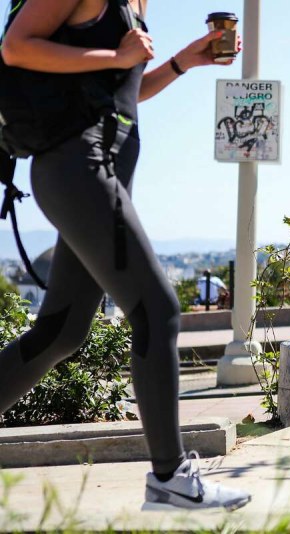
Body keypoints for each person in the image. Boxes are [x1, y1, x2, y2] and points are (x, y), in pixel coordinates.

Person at [0, 0, 250, 511]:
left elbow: (127, 91)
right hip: (76, 168)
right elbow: (17, 46)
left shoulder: (136, 5)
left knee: (61, 333)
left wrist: (184, 61)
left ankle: (170, 479)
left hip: (103, 170)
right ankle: (170, 478)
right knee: (158, 311)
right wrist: (114, 53)